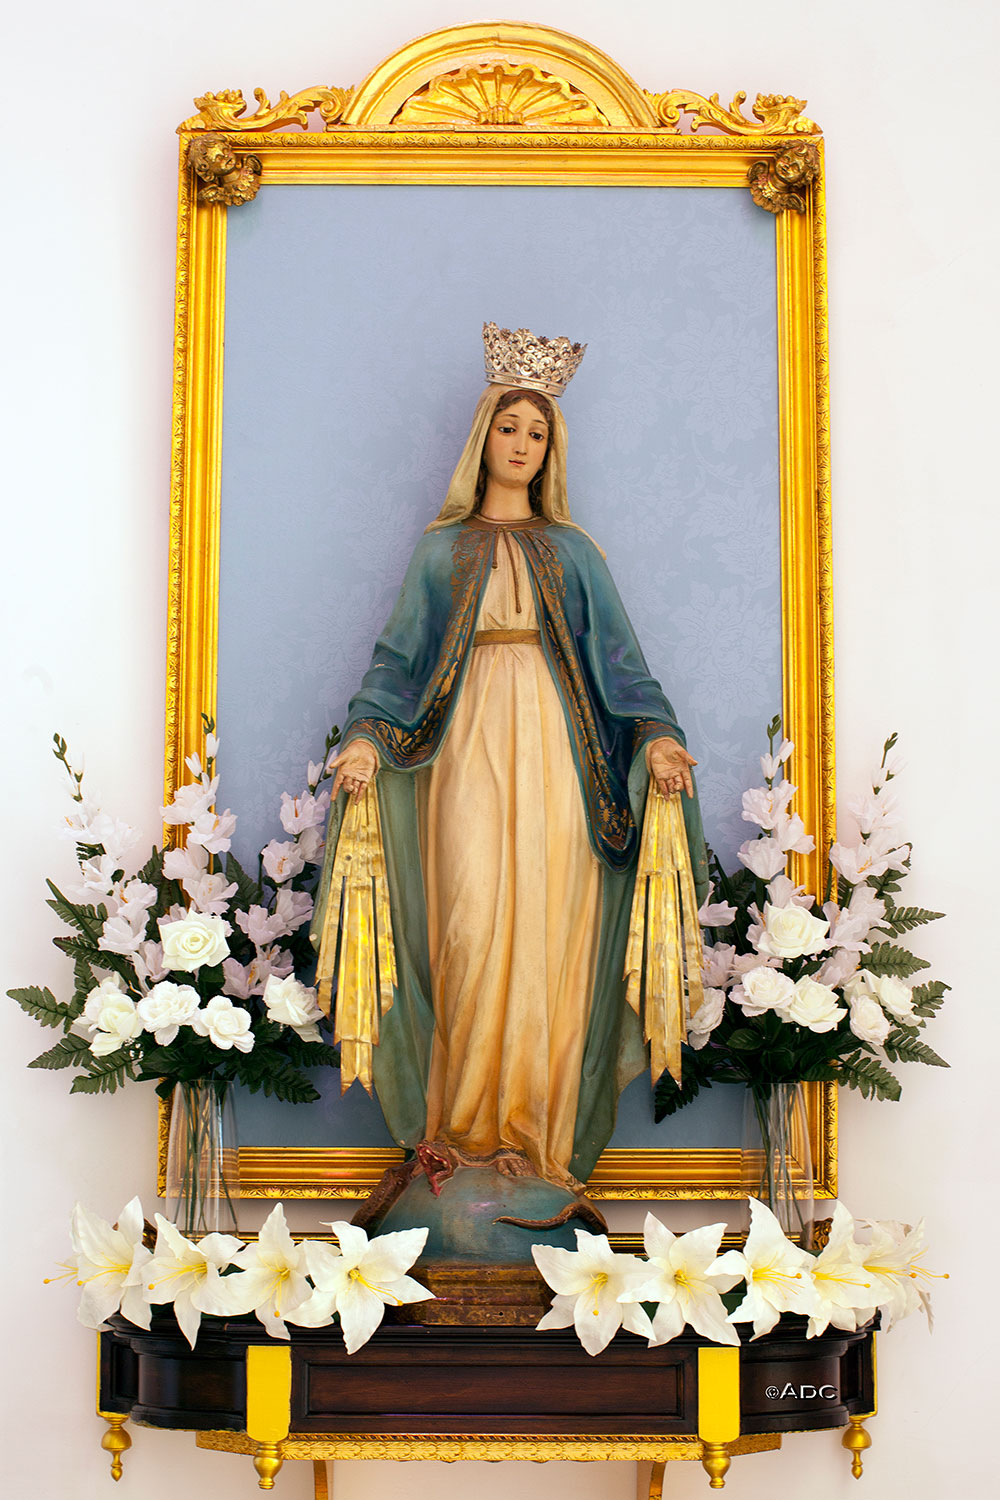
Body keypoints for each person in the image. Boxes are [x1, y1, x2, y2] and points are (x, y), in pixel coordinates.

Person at [312, 325, 707, 1195]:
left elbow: (621, 665)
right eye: (509, 427)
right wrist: (367, 738)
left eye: (538, 432)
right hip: (461, 751)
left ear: (550, 449)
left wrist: (657, 736)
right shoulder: (440, 549)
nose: (522, 445)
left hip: (562, 757)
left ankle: (536, 1147)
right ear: (483, 435)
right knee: (469, 923)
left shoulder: (574, 553)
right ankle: (457, 1137)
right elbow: (397, 662)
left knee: (549, 931)